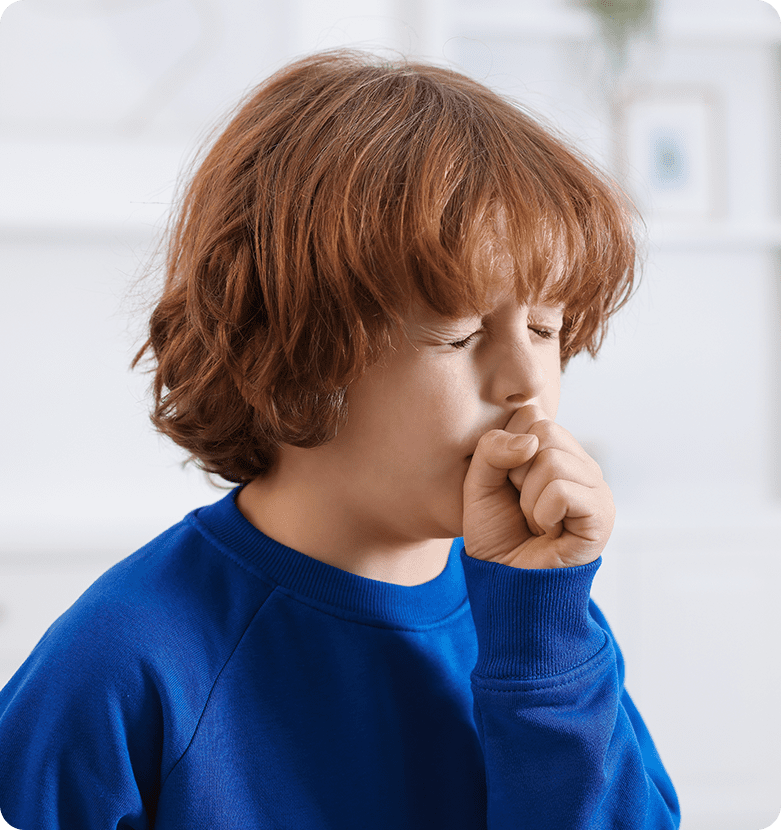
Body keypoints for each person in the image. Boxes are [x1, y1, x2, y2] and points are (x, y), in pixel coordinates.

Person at [0, 50, 680, 828]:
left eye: (543, 327)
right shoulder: (119, 660)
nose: (525, 381)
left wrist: (544, 653)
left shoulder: (542, 624)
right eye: (457, 336)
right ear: (294, 351)